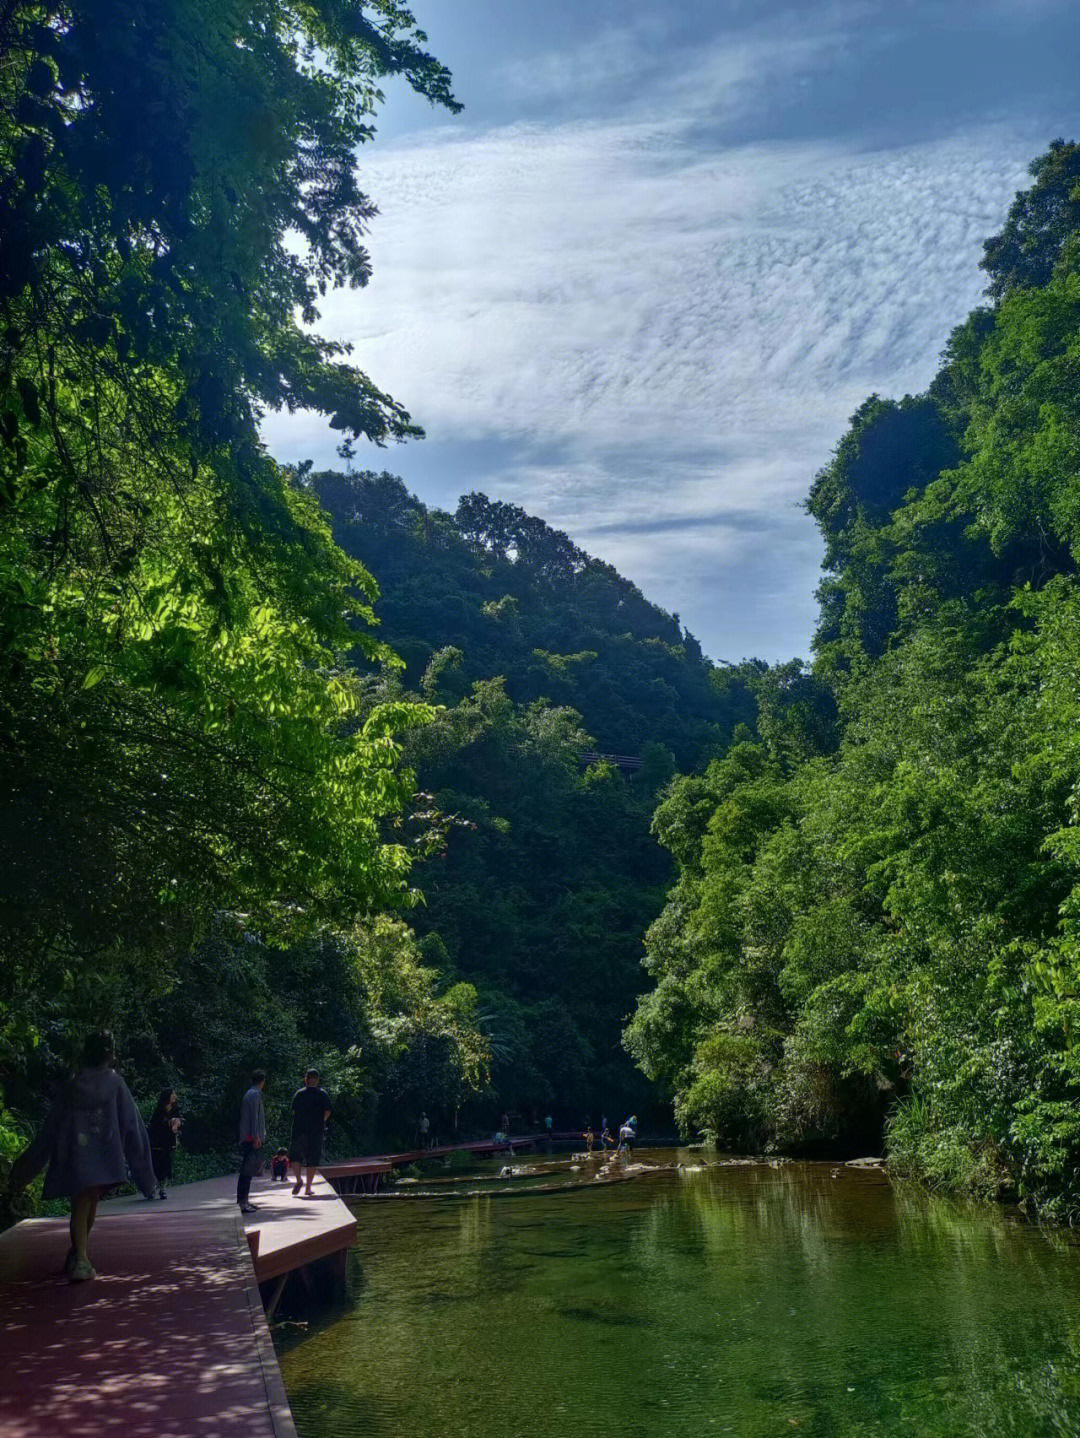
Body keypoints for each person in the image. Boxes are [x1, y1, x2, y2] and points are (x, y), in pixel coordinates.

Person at [8, 1030, 156, 1282]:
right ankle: (82, 1260)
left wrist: (24, 1170)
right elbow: (133, 1126)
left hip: (76, 1154)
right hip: (104, 1154)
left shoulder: (73, 1084)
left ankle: (78, 1253)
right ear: (108, 1054)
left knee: (85, 1201)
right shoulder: (114, 1082)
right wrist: (146, 1176)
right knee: (86, 1202)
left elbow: (50, 1127)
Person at [290, 1068, 331, 1197]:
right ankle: (308, 1188)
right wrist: (321, 1121)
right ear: (317, 1080)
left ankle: (298, 1180)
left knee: (295, 1157)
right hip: (316, 1131)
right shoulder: (322, 1094)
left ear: (305, 1079)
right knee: (312, 1159)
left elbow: (293, 1111)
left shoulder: (299, 1094)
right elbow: (328, 1111)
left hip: (299, 1130)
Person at [237, 1069, 266, 1213]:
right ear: (262, 1081)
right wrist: (256, 1136)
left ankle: (245, 1200)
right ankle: (243, 1202)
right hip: (250, 1137)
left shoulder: (250, 1093)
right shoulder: (255, 1094)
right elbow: (254, 1117)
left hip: (249, 1136)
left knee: (248, 1170)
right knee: (247, 1170)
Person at [147, 1087, 182, 1199]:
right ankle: (152, 1188)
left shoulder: (175, 1109)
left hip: (168, 1142)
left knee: (167, 1165)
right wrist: (167, 1123)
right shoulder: (159, 1110)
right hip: (158, 1143)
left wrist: (178, 1123)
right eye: (172, 1095)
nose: (174, 1097)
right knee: (156, 1165)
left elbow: (181, 1120)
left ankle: (163, 1189)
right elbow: (154, 1126)